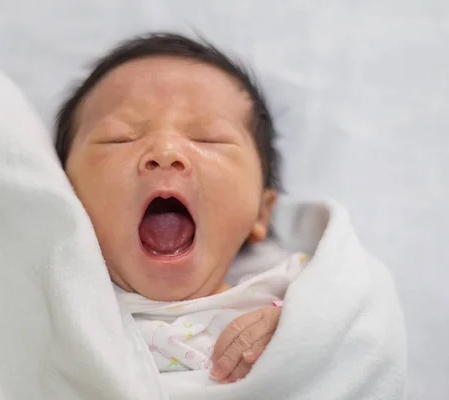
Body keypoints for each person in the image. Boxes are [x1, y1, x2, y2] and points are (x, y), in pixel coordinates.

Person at [54, 32, 305, 384]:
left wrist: (294, 335)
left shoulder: (291, 290)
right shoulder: (51, 304)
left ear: (261, 213)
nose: (165, 151)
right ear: (62, 190)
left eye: (208, 138)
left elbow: (353, 334)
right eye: (120, 137)